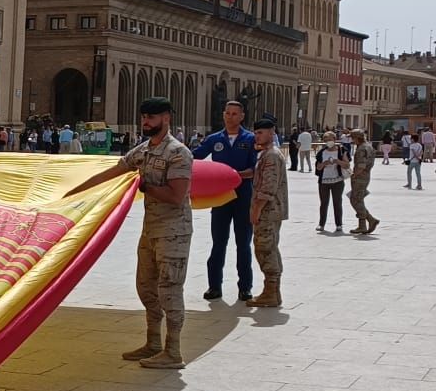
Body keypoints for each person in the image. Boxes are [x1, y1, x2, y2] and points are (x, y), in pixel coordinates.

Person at [68, 97, 193, 369]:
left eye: (152, 117)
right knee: (145, 287)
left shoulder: (178, 152)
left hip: (174, 232)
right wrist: (74, 193)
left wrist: (146, 186)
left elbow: (176, 195)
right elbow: (115, 171)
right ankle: (153, 343)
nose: (146, 122)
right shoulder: (144, 151)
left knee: (169, 290)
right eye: (144, 117)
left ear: (166, 119)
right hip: (151, 231)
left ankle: (173, 351)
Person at [192, 100, 256, 304]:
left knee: (243, 244)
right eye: (227, 113)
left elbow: (255, 169)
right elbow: (194, 157)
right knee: (218, 242)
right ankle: (214, 286)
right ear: (223, 115)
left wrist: (235, 175)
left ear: (242, 116)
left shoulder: (250, 139)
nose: (231, 117)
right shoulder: (214, 139)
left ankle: (245, 288)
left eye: (235, 114)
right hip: (220, 197)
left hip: (243, 197)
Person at [246, 118, 288, 307]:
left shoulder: (270, 155)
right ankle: (273, 292)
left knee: (265, 249)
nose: (257, 135)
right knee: (269, 248)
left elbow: (268, 187)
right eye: (256, 133)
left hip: (268, 212)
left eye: (261, 132)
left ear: (272, 133)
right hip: (272, 211)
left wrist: (256, 209)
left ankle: (271, 292)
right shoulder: (267, 154)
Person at [348, 131, 380, 234]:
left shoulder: (362, 148)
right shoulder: (368, 146)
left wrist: (354, 175)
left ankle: (371, 220)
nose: (351, 140)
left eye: (352, 138)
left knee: (355, 200)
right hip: (365, 176)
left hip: (360, 177)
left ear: (357, 138)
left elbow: (361, 165)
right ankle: (362, 226)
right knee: (359, 200)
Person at [315, 137, 348, 232]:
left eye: (330, 139)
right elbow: (318, 167)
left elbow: (347, 165)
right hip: (324, 181)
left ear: (334, 140)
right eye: (326, 140)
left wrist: (337, 161)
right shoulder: (321, 152)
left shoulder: (341, 151)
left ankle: (339, 224)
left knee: (337, 203)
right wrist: (324, 163)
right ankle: (321, 224)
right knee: (323, 203)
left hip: (337, 181)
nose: (328, 142)